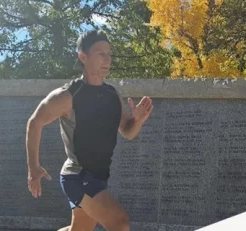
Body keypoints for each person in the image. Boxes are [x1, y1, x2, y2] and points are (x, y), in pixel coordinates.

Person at [26, 29, 153, 231]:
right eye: (101, 54)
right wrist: (33, 167)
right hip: (77, 177)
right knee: (119, 223)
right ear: (83, 57)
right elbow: (34, 123)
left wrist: (137, 120)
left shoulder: (112, 95)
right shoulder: (67, 96)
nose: (107, 60)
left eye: (109, 54)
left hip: (99, 177)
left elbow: (128, 132)